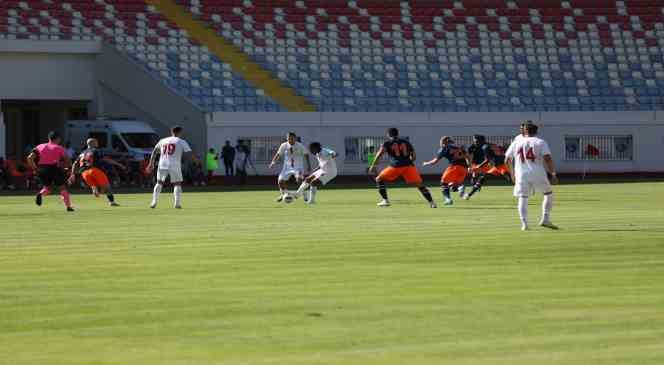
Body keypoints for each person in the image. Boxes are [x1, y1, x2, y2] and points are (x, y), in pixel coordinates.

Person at [505, 122, 558, 231]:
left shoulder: (517, 142)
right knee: (548, 194)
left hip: (521, 174)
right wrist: (553, 174)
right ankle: (545, 218)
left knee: (523, 198)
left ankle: (524, 224)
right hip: (537, 172)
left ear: (525, 131)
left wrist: (512, 174)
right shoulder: (540, 142)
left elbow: (507, 160)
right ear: (537, 131)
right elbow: (547, 158)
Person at [368, 128, 436, 208]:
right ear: (397, 134)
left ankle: (385, 201)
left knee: (379, 179)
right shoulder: (406, 142)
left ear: (388, 134)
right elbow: (413, 156)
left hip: (396, 166)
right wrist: (408, 161)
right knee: (419, 185)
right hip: (409, 166)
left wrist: (373, 165)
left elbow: (380, 154)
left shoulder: (387, 143)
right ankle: (432, 203)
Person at [146, 126, 192, 209]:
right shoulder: (181, 141)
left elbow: (154, 151)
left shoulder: (163, 140)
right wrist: (195, 160)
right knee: (177, 183)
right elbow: (189, 153)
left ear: (171, 132)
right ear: (180, 132)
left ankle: (154, 202)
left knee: (159, 182)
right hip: (174, 164)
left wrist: (151, 163)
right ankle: (177, 204)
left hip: (162, 164)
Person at [27, 131, 74, 212]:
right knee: (62, 188)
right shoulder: (59, 147)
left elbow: (29, 158)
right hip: (54, 168)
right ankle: (68, 206)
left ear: (49, 138)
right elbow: (68, 160)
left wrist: (35, 168)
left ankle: (40, 194)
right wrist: (67, 168)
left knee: (47, 188)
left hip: (42, 168)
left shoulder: (40, 146)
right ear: (58, 139)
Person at [68, 138, 124, 206]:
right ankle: (111, 202)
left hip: (84, 173)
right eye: (96, 142)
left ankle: (94, 188)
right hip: (94, 170)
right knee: (107, 187)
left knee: (97, 185)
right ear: (93, 143)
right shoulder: (95, 150)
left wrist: (72, 174)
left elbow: (75, 163)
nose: (97, 143)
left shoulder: (82, 153)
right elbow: (106, 159)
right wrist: (119, 164)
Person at [422, 136, 470, 206]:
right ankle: (460, 187)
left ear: (444, 142)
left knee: (443, 183)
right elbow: (468, 156)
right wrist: (469, 166)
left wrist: (426, 163)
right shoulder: (459, 147)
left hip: (455, 167)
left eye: (441, 141)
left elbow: (435, 161)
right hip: (464, 169)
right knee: (452, 186)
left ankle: (448, 199)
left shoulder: (444, 148)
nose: (440, 143)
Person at [268, 132, 311, 202]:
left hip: (298, 167)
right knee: (280, 181)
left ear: (295, 138)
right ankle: (284, 194)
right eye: (288, 139)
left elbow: (306, 154)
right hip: (287, 167)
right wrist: (273, 162)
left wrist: (308, 165)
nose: (290, 140)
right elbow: (278, 154)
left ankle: (304, 193)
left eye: (292, 138)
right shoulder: (284, 145)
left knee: (299, 180)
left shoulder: (300, 146)